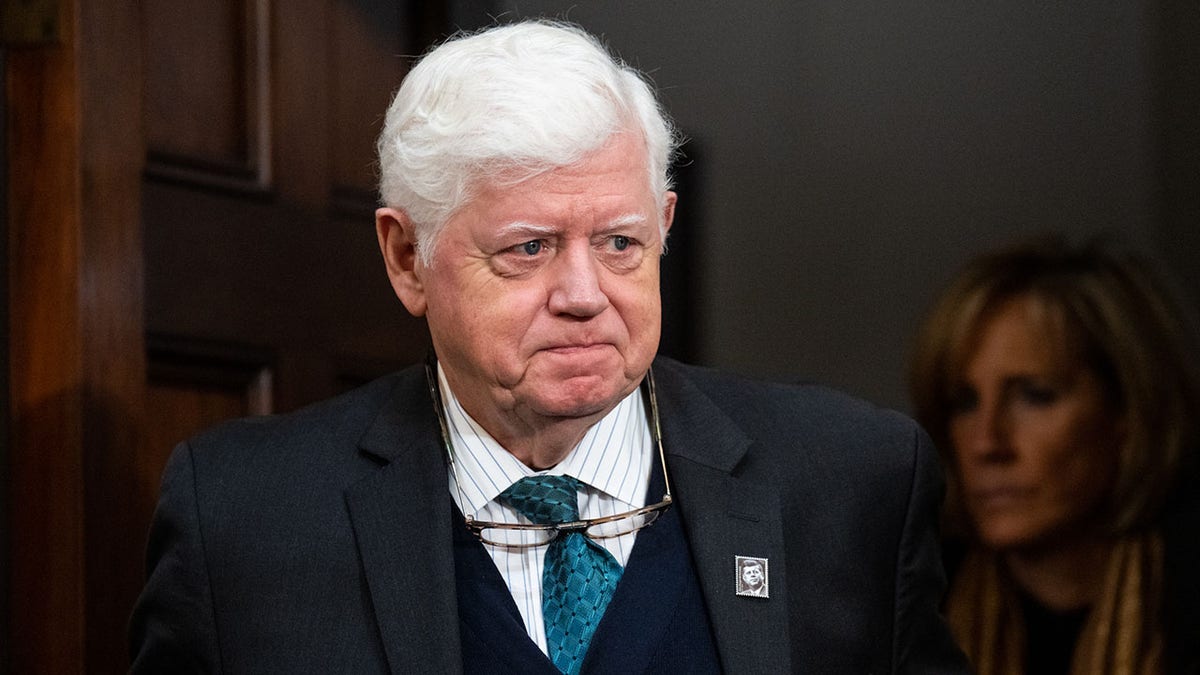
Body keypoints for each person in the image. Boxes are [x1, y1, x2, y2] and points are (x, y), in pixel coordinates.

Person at [130, 19, 967, 673]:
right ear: (406, 256)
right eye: (528, 248)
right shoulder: (245, 516)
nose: (583, 295)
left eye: (620, 243)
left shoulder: (852, 483)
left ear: (664, 226)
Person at [909, 236, 1200, 675]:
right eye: (964, 403)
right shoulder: (915, 604)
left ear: (1129, 410)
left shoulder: (1186, 593)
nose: (986, 443)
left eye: (1034, 395)